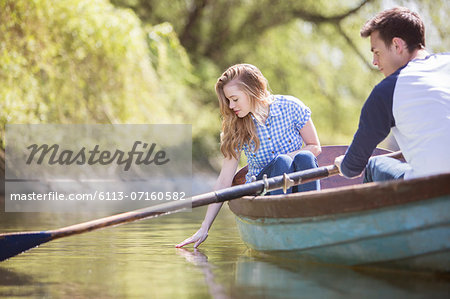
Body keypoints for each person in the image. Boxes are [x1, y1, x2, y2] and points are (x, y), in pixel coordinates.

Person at [176, 63, 321, 248]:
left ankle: (314, 220)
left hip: (297, 184)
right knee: (281, 161)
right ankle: (280, 227)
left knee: (304, 158)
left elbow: (314, 146)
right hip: (263, 192)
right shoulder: (235, 125)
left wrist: (287, 158)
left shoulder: (291, 107)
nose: (230, 105)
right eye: (228, 100)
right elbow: (224, 180)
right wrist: (204, 227)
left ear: (252, 90)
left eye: (235, 99)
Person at [335, 7, 450, 182]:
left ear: (397, 45)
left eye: (376, 52)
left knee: (374, 165)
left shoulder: (387, 90)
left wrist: (342, 163)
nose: (374, 62)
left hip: (432, 189)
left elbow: (352, 167)